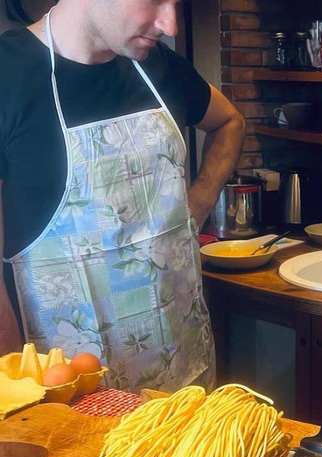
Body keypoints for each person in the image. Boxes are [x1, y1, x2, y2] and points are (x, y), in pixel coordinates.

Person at [0, 0, 245, 392]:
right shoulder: (8, 75)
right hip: (71, 389)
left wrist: (197, 204)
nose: (171, 24)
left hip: (182, 370)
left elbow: (230, 121)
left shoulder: (158, 66)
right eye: (155, 1)